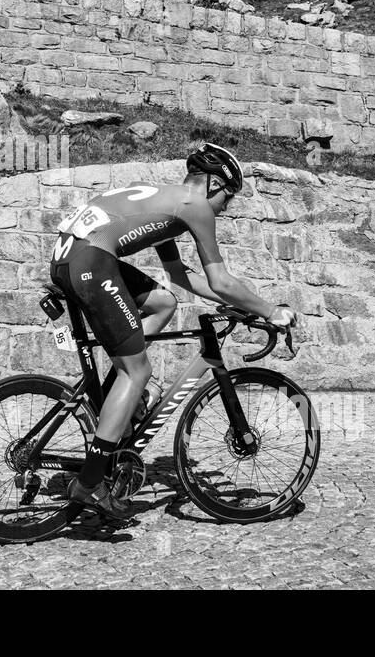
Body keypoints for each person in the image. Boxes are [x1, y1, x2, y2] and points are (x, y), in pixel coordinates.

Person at [48, 143, 297, 518]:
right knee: (139, 371)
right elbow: (221, 279)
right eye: (227, 198)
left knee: (163, 303)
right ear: (214, 184)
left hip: (72, 258)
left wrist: (236, 304)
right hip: (91, 261)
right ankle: (90, 482)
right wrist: (270, 310)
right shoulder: (195, 206)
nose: (225, 208)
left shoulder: (167, 201)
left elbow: (180, 277)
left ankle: (121, 394)